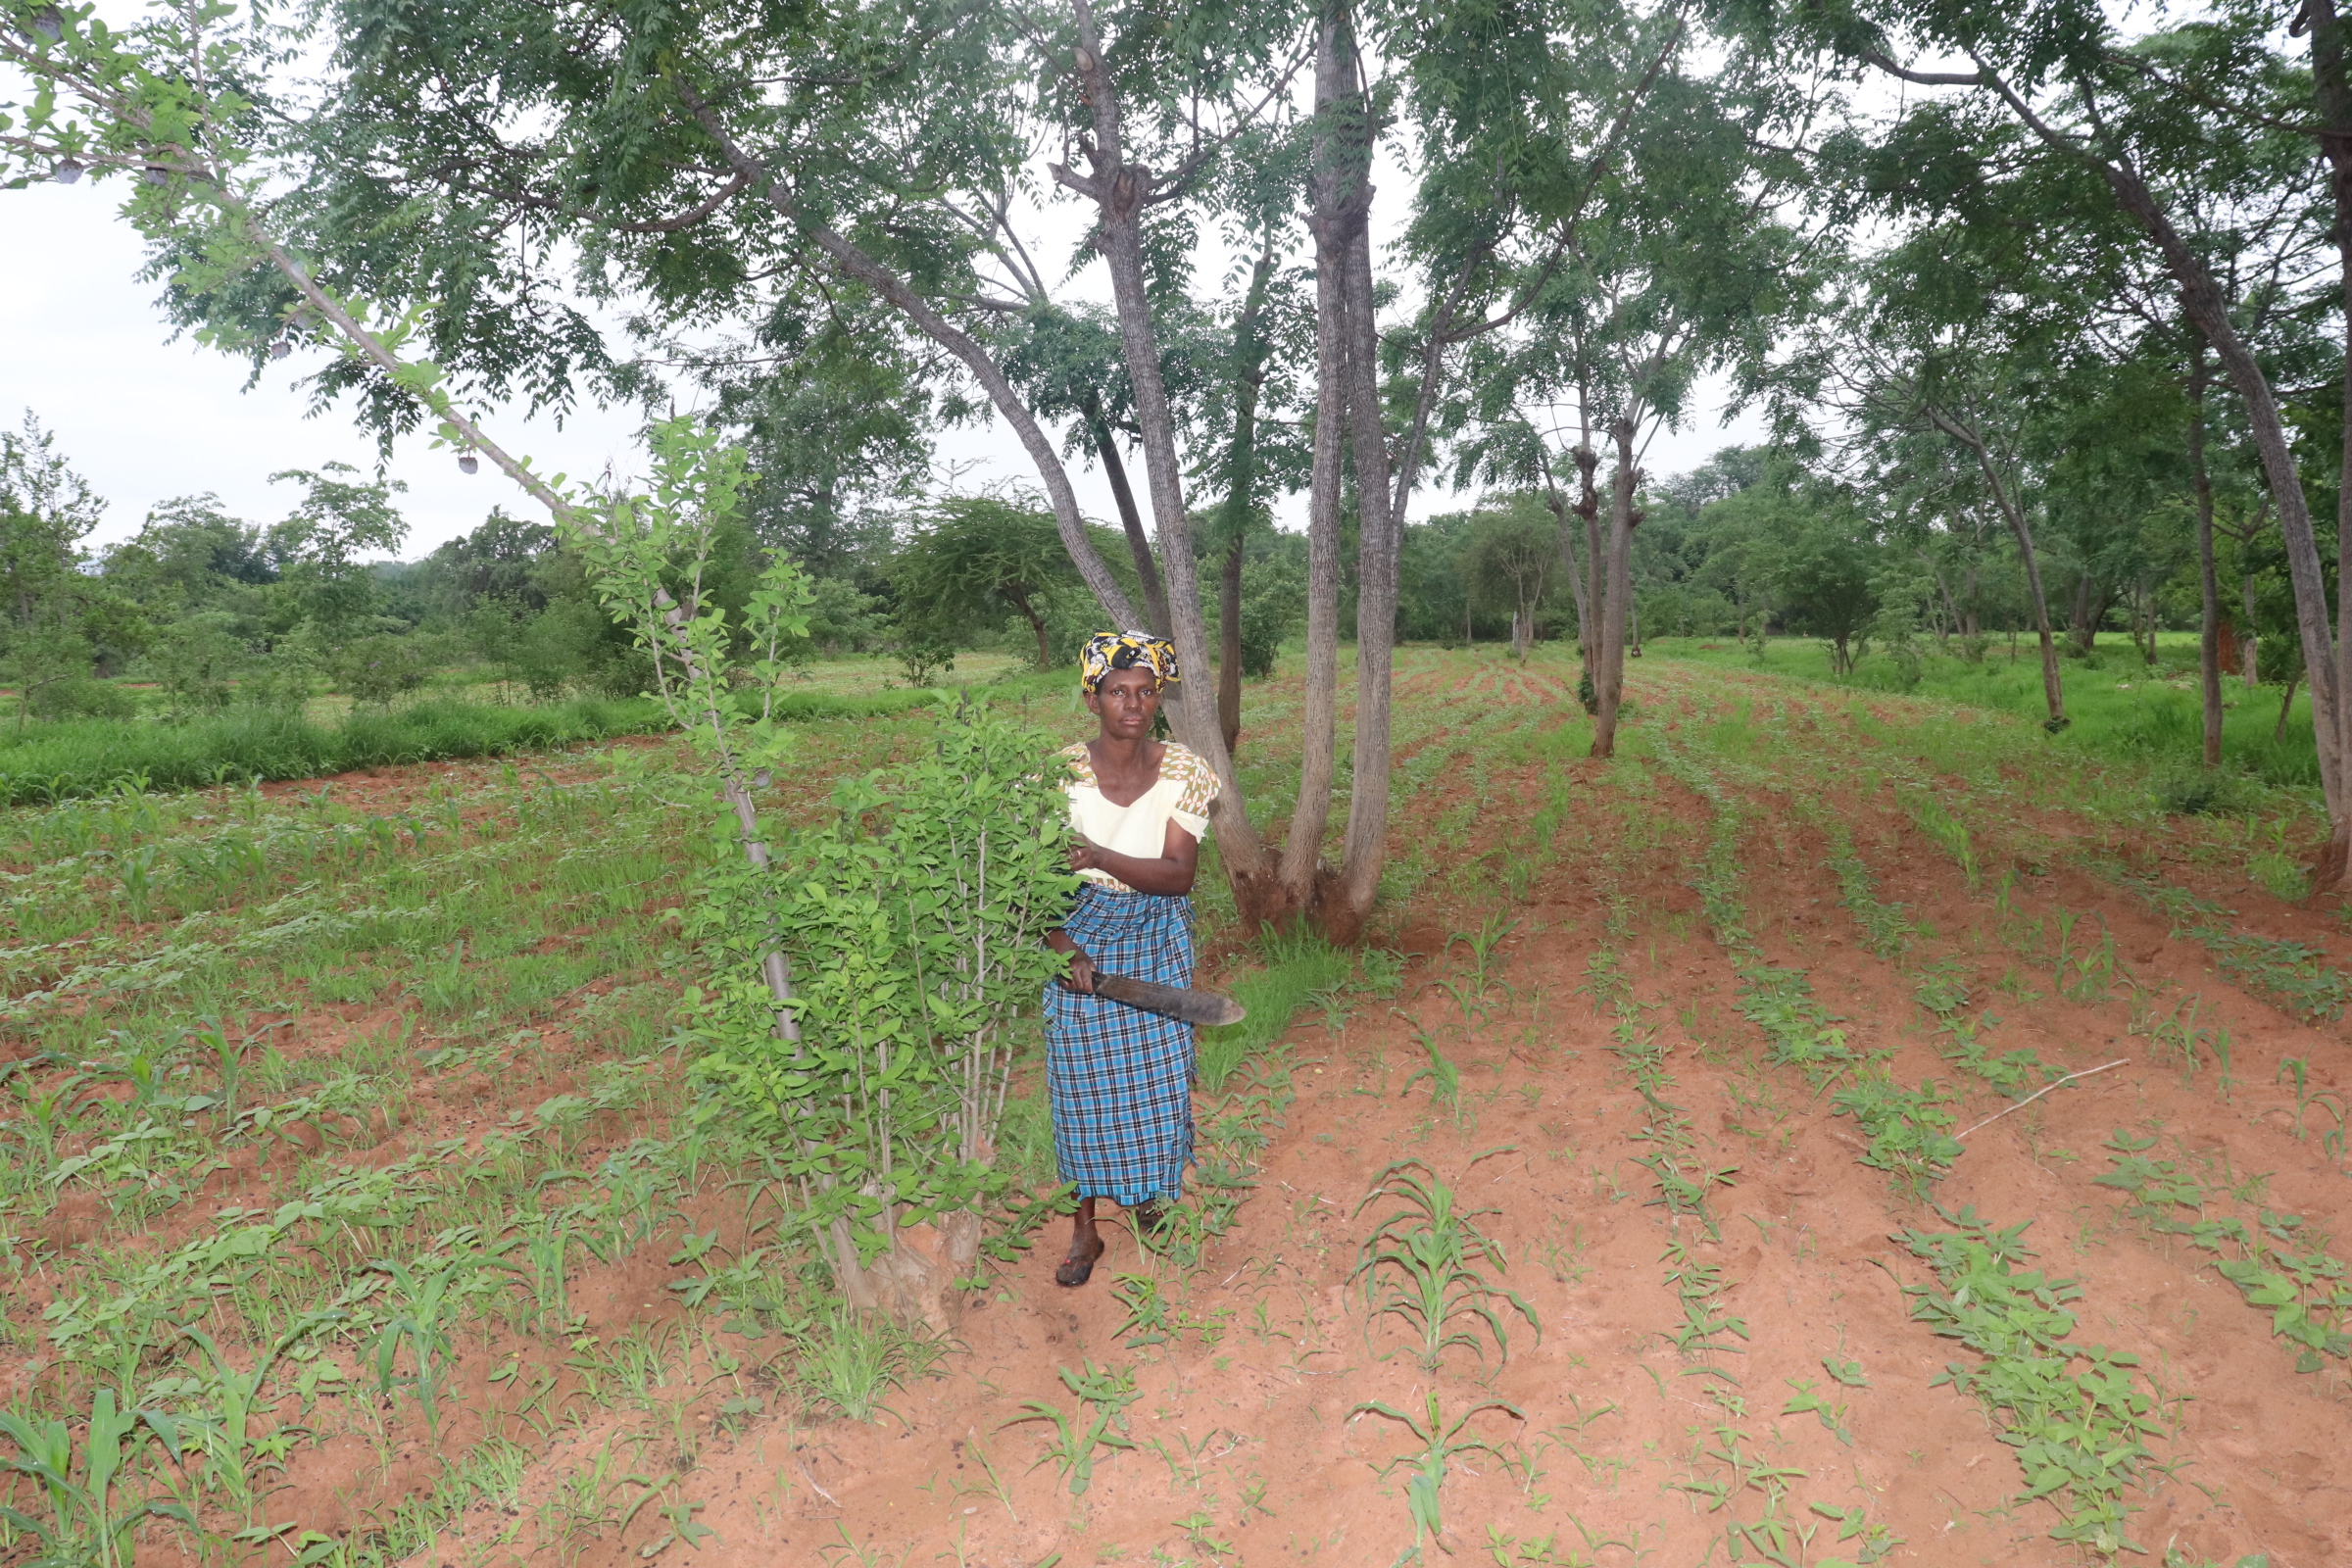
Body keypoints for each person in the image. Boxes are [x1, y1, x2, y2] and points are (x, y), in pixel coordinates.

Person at [1043, 631, 1219, 1287]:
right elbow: (1030, 889)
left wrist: (1094, 855)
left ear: (1160, 697)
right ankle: (1085, 1229)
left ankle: (1147, 1199)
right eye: (1118, 692)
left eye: (1146, 692)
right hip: (1077, 932)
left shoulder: (1184, 772)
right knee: (1081, 1089)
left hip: (1155, 933)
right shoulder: (1055, 777)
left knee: (1156, 1081)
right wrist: (1064, 948)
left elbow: (1176, 876)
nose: (1133, 705)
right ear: (1093, 698)